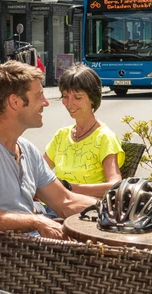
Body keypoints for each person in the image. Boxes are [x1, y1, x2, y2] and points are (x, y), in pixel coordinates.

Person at [0, 60, 98, 286]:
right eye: (39, 96)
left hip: (29, 256)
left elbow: (65, 201)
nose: (46, 102)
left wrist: (111, 206)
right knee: (98, 278)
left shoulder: (26, 148)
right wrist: (36, 221)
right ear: (15, 102)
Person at [43, 65, 124, 197]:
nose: (69, 104)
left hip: (85, 212)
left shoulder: (105, 138)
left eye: (78, 97)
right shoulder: (61, 135)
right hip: (53, 206)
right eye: (65, 96)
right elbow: (38, 172)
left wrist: (68, 188)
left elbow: (115, 186)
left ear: (92, 98)